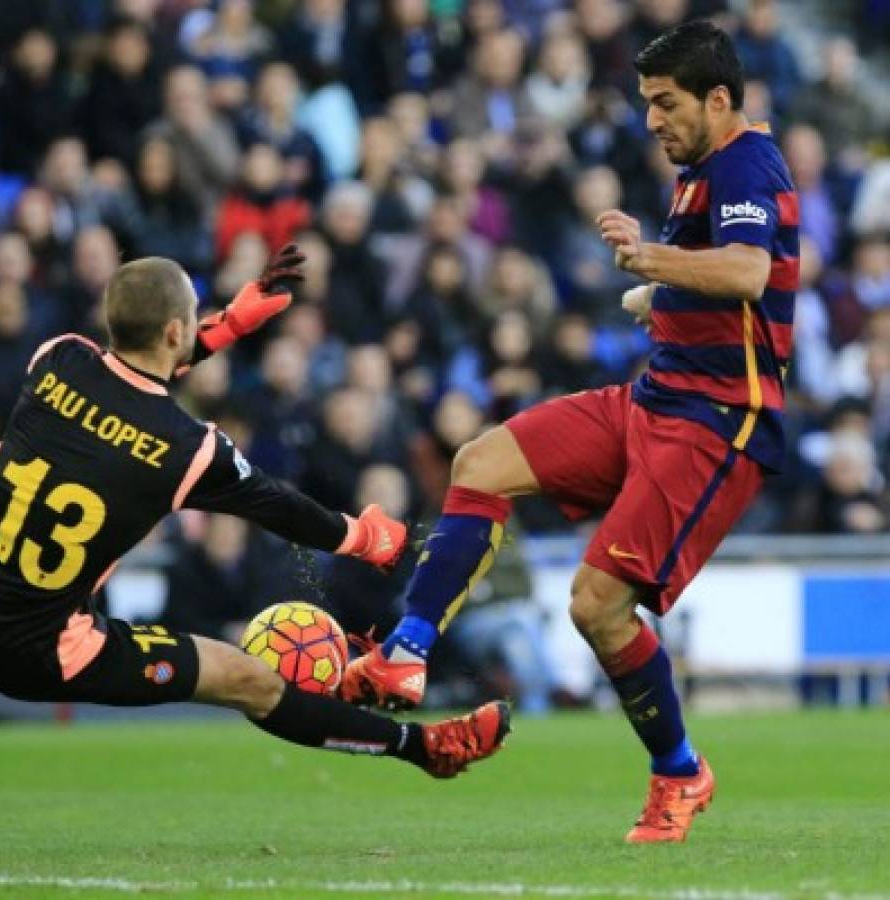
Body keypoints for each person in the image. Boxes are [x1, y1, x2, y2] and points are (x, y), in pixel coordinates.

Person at [0, 244, 509, 860]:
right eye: (192, 319)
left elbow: (130, 373)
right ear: (174, 330)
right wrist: (364, 536)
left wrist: (228, 322)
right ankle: (424, 750)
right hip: (39, 648)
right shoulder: (190, 450)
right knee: (247, 680)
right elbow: (278, 505)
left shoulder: (55, 360)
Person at [342, 21, 798, 845]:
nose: (652, 120)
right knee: (481, 460)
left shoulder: (745, 162)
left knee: (596, 605)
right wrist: (660, 299)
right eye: (647, 104)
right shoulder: (703, 169)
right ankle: (405, 651)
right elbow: (734, 291)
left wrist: (649, 264)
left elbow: (747, 272)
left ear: (719, 100)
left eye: (666, 104)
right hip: (654, 400)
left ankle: (680, 772)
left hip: (715, 427)